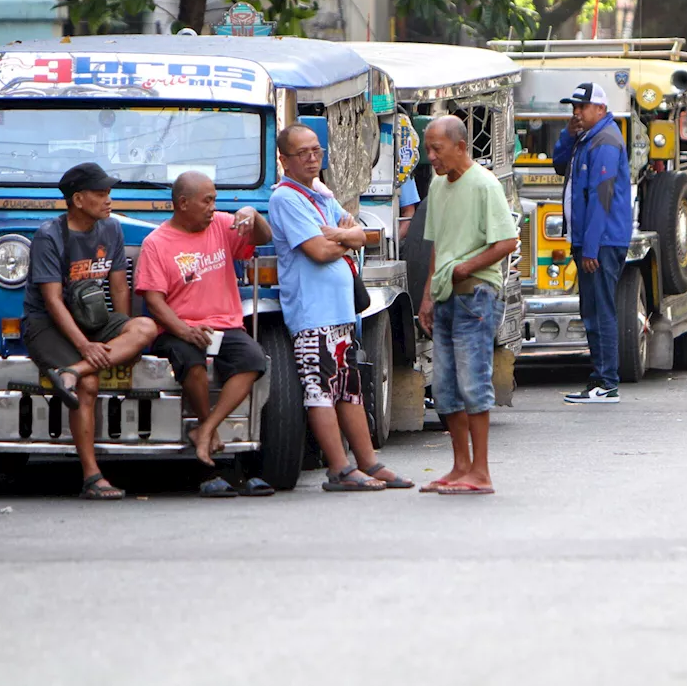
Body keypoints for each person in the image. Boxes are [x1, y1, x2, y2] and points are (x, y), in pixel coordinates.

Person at [269, 124, 411, 492]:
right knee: (320, 391)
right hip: (312, 314)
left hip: (340, 313)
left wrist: (341, 236)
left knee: (349, 390)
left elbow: (361, 235)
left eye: (316, 150)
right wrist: (342, 237)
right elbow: (317, 251)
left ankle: (368, 462)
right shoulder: (287, 199)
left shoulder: (319, 196)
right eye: (303, 153)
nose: (313, 158)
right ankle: (338, 468)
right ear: (284, 160)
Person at [134, 171, 276, 497]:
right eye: (207, 200)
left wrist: (253, 217)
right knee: (192, 363)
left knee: (253, 360)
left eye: (214, 199)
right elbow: (153, 301)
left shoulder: (222, 225)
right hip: (176, 326)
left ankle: (206, 430)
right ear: (183, 204)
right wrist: (184, 330)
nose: (214, 207)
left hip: (225, 324)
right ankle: (207, 433)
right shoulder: (157, 242)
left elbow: (262, 238)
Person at [23, 163, 158, 500]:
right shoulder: (48, 235)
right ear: (78, 200)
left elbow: (118, 290)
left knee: (145, 326)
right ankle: (92, 476)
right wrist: (86, 345)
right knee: (91, 384)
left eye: (109, 193)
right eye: (100, 194)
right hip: (49, 324)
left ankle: (69, 372)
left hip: (96, 318)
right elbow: (52, 301)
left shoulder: (111, 229)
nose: (108, 200)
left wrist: (122, 336)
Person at [416, 116, 518, 496]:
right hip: (445, 295)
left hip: (475, 294)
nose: (431, 158)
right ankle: (460, 465)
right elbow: (437, 247)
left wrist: (464, 268)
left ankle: (481, 471)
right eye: (428, 149)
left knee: (473, 383)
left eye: (436, 149)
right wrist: (427, 294)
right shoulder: (439, 186)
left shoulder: (484, 184)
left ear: (461, 146)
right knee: (444, 387)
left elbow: (506, 242)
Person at [553, 82, 633, 403]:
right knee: (592, 310)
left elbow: (602, 197)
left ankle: (607, 381)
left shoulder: (606, 140)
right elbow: (560, 165)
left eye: (582, 107)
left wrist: (590, 248)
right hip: (590, 241)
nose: (576, 112)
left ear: (600, 109)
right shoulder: (585, 138)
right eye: (573, 107)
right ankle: (600, 378)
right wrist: (567, 134)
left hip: (602, 243)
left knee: (601, 310)